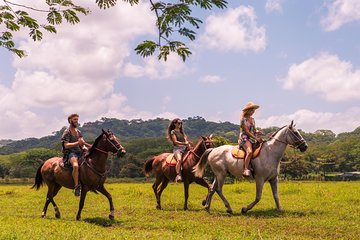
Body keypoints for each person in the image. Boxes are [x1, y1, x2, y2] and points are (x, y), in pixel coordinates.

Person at [61, 113, 91, 196]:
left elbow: (83, 143)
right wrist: (78, 142)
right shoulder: (67, 132)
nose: (76, 121)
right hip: (71, 153)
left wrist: (87, 147)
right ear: (70, 121)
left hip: (80, 152)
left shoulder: (79, 132)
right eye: (74, 120)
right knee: (75, 166)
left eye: (77, 120)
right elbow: (66, 145)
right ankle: (76, 186)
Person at [239, 102, 262, 177]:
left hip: (252, 137)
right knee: (250, 151)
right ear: (248, 110)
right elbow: (246, 132)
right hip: (244, 137)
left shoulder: (252, 119)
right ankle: (245, 169)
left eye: (253, 110)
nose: (253, 112)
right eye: (252, 110)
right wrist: (255, 138)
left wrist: (258, 132)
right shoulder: (243, 119)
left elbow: (254, 130)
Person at [167, 118, 191, 182]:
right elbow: (175, 142)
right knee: (179, 159)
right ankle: (178, 175)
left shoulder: (182, 132)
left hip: (185, 149)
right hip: (178, 149)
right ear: (175, 124)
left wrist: (189, 146)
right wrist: (184, 143)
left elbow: (186, 140)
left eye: (181, 123)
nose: (180, 124)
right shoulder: (173, 132)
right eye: (178, 123)